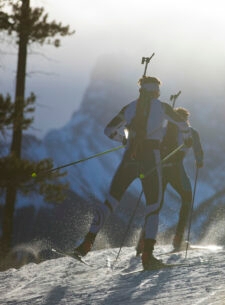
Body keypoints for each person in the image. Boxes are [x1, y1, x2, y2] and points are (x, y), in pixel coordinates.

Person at [74, 76, 192, 270]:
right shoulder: (163, 108)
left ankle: (85, 244)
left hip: (129, 158)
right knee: (153, 206)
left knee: (110, 202)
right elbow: (183, 125)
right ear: (156, 91)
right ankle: (148, 257)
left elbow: (109, 130)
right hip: (151, 159)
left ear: (141, 90)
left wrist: (123, 139)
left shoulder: (129, 108)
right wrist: (187, 140)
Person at [136, 107, 204, 255]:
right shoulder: (191, 132)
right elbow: (198, 150)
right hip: (175, 169)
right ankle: (178, 238)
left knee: (155, 204)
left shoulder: (162, 131)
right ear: (186, 119)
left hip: (159, 170)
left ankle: (142, 241)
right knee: (186, 198)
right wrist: (199, 161)